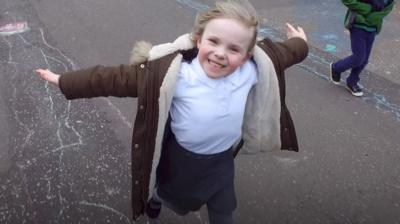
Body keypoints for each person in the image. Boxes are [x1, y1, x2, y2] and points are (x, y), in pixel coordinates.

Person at [35, 0, 308, 223]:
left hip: (221, 160)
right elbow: (114, 78)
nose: (221, 53)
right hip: (182, 158)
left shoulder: (250, 70)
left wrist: (301, 43)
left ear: (247, 54)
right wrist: (66, 81)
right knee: (171, 193)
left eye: (234, 48)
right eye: (214, 41)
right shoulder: (176, 75)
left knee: (224, 208)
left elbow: (283, 54)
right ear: (199, 40)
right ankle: (157, 198)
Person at [330, 0, 395, 97]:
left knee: (364, 60)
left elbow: (388, 8)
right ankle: (336, 68)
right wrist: (368, 9)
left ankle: (352, 81)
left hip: (372, 27)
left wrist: (373, 17)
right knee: (358, 57)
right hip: (358, 25)